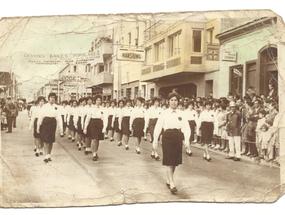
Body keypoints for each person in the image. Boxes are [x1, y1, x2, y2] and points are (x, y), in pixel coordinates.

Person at [153, 92, 190, 194]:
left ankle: (169, 179)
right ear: (168, 101)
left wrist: (186, 139)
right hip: (167, 137)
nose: (174, 102)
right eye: (172, 100)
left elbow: (186, 128)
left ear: (178, 102)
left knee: (174, 162)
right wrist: (155, 140)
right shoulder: (164, 113)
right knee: (169, 160)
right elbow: (158, 127)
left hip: (178, 137)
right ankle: (172, 183)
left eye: (175, 100)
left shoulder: (181, 114)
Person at [37, 93, 63, 163]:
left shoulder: (57, 107)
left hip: (53, 123)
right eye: (51, 97)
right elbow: (41, 117)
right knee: (46, 140)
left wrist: (61, 129)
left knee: (51, 140)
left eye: (54, 98)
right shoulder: (45, 106)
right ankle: (46, 155)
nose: (52, 99)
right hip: (45, 123)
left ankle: (49, 154)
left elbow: (59, 118)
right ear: (48, 98)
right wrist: (38, 126)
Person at [83, 95, 107, 161]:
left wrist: (104, 127)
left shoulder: (103, 109)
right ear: (95, 101)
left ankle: (95, 152)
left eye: (99, 100)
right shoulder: (92, 108)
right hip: (93, 123)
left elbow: (105, 118)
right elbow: (87, 118)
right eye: (97, 100)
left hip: (100, 124)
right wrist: (85, 128)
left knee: (98, 139)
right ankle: (94, 154)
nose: (98, 101)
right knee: (94, 139)